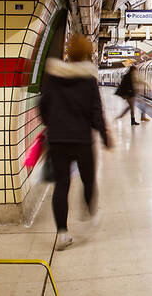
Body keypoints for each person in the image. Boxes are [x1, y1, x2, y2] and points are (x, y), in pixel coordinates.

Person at [40, 34, 110, 250]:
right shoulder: (89, 80)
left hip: (58, 140)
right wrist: (105, 137)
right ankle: (89, 213)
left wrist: (53, 124)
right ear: (87, 54)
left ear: (69, 53)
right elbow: (95, 112)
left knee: (61, 185)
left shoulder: (53, 76)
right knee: (89, 180)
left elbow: (43, 107)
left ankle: (62, 233)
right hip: (81, 140)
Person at [115, 60, 143, 125]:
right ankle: (130, 120)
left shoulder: (128, 76)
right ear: (133, 70)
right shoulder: (129, 77)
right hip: (129, 94)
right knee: (131, 107)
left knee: (130, 107)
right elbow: (128, 86)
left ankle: (129, 119)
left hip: (129, 94)